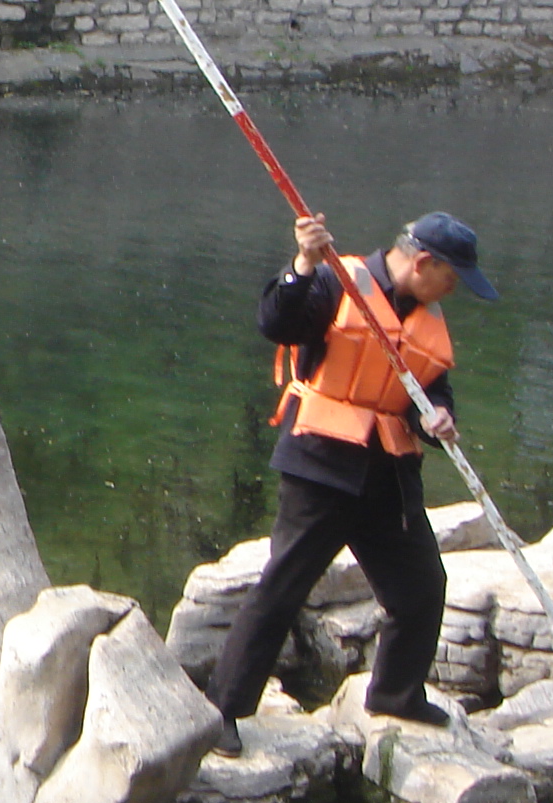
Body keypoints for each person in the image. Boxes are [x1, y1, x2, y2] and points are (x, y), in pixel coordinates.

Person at [205, 210, 498, 755]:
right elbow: (277, 323)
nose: (453, 291)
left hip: (388, 473)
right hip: (320, 465)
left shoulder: (426, 317)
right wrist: (302, 265)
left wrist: (439, 418)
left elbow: (433, 389)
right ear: (425, 262)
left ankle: (396, 695)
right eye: (452, 278)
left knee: (421, 587)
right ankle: (221, 709)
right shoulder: (338, 280)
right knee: (282, 588)